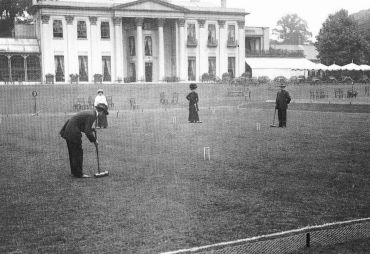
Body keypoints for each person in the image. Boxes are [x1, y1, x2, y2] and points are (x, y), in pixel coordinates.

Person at [60, 103, 109, 178]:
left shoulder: (90, 113)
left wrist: (91, 129)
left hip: (67, 130)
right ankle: (79, 174)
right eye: (104, 114)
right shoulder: (92, 115)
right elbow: (87, 131)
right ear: (101, 112)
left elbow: (82, 125)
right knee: (78, 153)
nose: (103, 116)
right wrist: (94, 140)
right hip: (73, 132)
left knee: (73, 153)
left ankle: (75, 172)